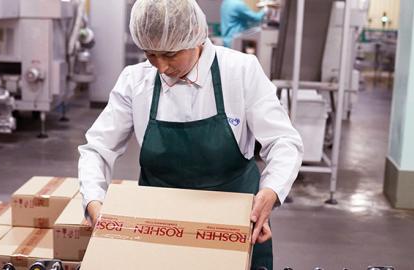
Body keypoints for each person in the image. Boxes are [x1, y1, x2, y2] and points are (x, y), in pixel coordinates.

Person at [78, 0, 303, 269]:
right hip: (159, 226)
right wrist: (93, 200)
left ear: (196, 36)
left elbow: (283, 141)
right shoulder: (135, 81)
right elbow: (97, 148)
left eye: (170, 55)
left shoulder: (240, 71)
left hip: (232, 220)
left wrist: (271, 191)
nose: (161, 67)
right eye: (151, 54)